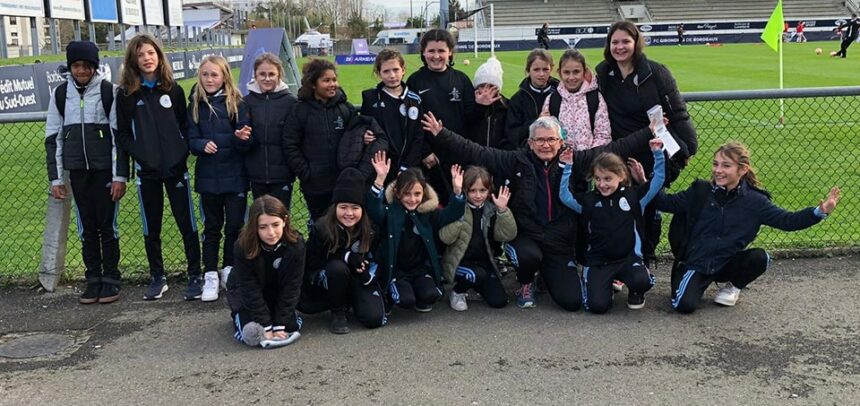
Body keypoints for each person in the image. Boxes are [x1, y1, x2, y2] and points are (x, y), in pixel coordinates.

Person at [423, 114, 655, 310]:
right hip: (528, 236)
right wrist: (442, 134)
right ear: (530, 143)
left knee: (572, 302)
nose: (545, 145)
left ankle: (547, 275)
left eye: (551, 139)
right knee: (528, 257)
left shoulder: (573, 160)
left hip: (559, 241)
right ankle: (526, 280)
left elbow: (614, 148)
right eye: (539, 140)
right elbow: (477, 152)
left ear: (560, 141)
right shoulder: (515, 161)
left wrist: (648, 132)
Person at [655, 143, 840, 313]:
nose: (718, 170)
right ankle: (690, 280)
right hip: (697, 262)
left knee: (761, 258)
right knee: (683, 306)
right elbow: (665, 203)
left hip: (726, 261)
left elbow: (787, 221)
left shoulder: (756, 201)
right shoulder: (700, 191)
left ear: (742, 170)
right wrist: (650, 179)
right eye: (716, 164)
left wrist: (820, 212)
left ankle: (733, 286)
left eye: (726, 166)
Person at [596, 21, 698, 270]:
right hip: (620, 152)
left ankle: (645, 259)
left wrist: (687, 148)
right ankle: (621, 261)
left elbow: (678, 113)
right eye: (615, 42)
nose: (620, 47)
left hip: (653, 150)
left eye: (625, 41)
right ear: (609, 45)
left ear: (636, 43)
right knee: (621, 207)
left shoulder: (655, 72)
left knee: (650, 203)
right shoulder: (603, 73)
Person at [113, 34, 202, 301]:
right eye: (141, 55)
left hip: (176, 170)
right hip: (147, 173)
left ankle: (195, 275)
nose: (147, 58)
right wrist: (143, 157)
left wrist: (180, 154)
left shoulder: (172, 89)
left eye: (151, 53)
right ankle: (157, 277)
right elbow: (123, 136)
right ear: (133, 60)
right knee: (152, 226)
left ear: (159, 56)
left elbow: (185, 127)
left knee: (187, 223)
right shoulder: (126, 94)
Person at [45, 41, 128, 304]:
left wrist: (119, 176)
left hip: (104, 172)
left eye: (86, 65)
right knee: (87, 228)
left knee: (107, 226)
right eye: (77, 65)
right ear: (70, 67)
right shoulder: (60, 95)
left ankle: (111, 278)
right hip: (78, 173)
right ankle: (93, 279)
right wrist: (57, 178)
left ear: (94, 66)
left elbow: (118, 137)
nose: (81, 70)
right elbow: (53, 138)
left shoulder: (108, 92)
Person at [559, 138, 665, 313]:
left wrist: (657, 153)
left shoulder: (634, 198)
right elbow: (564, 196)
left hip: (628, 259)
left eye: (608, 179)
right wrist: (567, 166)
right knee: (597, 307)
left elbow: (658, 181)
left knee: (641, 280)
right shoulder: (589, 201)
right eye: (598, 179)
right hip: (599, 262)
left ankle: (636, 291)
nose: (602, 184)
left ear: (621, 176)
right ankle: (604, 286)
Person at [187, 55, 252, 302]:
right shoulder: (194, 103)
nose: (210, 79)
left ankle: (229, 270)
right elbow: (190, 139)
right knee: (212, 228)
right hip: (208, 178)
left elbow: (246, 139)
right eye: (205, 74)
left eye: (215, 74)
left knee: (235, 226)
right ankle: (210, 274)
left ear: (225, 76)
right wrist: (202, 144)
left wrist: (242, 137)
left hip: (235, 176)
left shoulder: (238, 103)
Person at [368, 151, 465, 314]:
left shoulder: (427, 213)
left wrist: (457, 191)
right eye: (406, 194)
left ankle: (420, 295)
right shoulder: (390, 212)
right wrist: (379, 180)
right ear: (397, 193)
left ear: (424, 193)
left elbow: (451, 214)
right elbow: (374, 210)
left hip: (419, 270)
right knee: (405, 300)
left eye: (417, 194)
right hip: (396, 271)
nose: (412, 199)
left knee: (430, 295)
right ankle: (389, 296)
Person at [407, 28, 492, 204]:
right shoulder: (415, 81)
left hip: (459, 155)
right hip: (431, 158)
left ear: (450, 52)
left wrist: (482, 106)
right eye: (431, 51)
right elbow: (411, 122)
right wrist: (425, 151)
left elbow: (470, 118)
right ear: (423, 52)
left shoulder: (461, 80)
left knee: (460, 201)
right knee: (435, 204)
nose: (436, 56)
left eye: (441, 51)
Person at [299, 168, 386, 334]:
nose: (349, 213)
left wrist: (367, 272)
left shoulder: (371, 228)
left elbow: (378, 257)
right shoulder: (322, 228)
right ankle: (338, 312)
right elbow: (311, 262)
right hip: (329, 278)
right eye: (343, 207)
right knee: (337, 268)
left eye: (355, 208)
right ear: (335, 207)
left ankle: (354, 299)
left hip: (358, 278)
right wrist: (346, 256)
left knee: (373, 318)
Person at [284, 59, 368, 221]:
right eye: (326, 80)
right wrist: (306, 172)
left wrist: (364, 135)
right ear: (313, 84)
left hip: (343, 182)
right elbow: (290, 144)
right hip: (315, 185)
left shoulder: (345, 108)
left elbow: (355, 137)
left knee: (345, 225)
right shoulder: (299, 110)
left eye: (334, 80)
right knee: (320, 226)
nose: (332, 84)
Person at [227, 195, 304, 348]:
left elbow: (292, 285)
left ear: (285, 221)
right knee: (252, 335)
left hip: (276, 293)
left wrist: (280, 324)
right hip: (245, 296)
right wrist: (266, 326)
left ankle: (281, 319)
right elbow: (248, 288)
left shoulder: (296, 244)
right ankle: (241, 316)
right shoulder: (242, 247)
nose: (271, 233)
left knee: (289, 326)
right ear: (254, 227)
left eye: (276, 225)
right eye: (263, 227)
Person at [439, 166, 516, 311]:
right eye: (472, 190)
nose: (478, 195)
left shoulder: (491, 209)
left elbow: (507, 235)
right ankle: (458, 292)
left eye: (482, 190)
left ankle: (476, 286)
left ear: (489, 191)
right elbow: (445, 238)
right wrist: (458, 215)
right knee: (475, 275)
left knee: (499, 301)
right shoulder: (458, 207)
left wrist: (503, 211)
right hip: (459, 262)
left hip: (484, 263)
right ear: (465, 190)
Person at [360, 48, 424, 186]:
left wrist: (407, 166)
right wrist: (363, 135)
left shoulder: (415, 100)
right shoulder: (370, 98)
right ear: (378, 73)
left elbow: (418, 136)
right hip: (379, 166)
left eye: (396, 70)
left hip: (408, 166)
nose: (392, 75)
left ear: (403, 70)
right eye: (386, 71)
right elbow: (363, 125)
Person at [245, 53, 298, 211]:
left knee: (280, 218)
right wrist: (242, 138)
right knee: (260, 219)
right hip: (256, 174)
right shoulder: (246, 102)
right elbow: (242, 141)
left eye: (271, 74)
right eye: (262, 74)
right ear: (255, 75)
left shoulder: (291, 102)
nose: (267, 78)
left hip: (282, 174)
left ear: (279, 75)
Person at [542, 49, 611, 153]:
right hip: (561, 163)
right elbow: (547, 136)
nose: (571, 77)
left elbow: (603, 135)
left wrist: (588, 157)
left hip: (590, 162)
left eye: (576, 72)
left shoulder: (595, 98)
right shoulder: (552, 100)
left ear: (584, 72)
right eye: (566, 72)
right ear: (559, 73)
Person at [506, 49, 558, 148]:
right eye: (536, 69)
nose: (541, 74)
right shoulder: (517, 100)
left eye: (545, 69)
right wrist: (536, 122)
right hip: (529, 155)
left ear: (551, 69)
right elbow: (513, 135)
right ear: (528, 71)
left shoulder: (560, 94)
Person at [468, 57, 511, 150]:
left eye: (491, 86)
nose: (486, 91)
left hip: (499, 159)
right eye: (482, 86)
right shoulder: (469, 104)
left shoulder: (508, 107)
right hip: (474, 159)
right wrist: (480, 107)